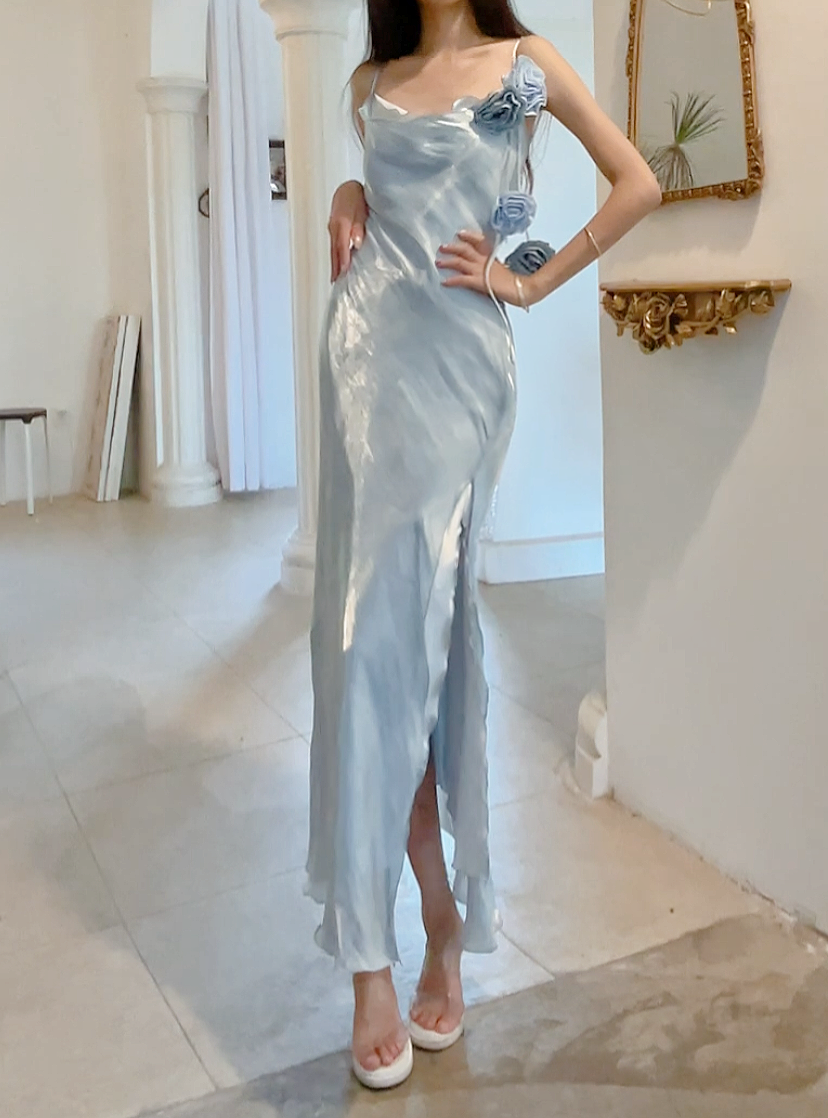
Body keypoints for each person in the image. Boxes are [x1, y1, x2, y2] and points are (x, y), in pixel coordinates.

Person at [309, 0, 661, 1091]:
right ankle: (382, 949)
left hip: (459, 370)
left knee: (417, 651)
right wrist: (348, 191)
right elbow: (381, 196)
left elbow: (638, 182)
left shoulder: (526, 62)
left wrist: (526, 279)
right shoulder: (370, 81)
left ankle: (437, 923)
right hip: (363, 361)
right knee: (363, 650)